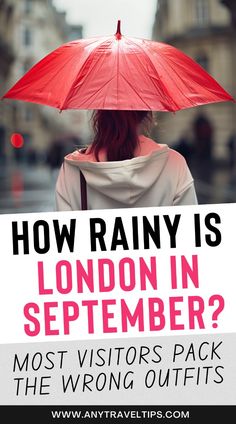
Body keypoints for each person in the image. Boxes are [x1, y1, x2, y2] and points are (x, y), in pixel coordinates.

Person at [55, 110, 198, 211]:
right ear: (146, 114)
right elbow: (190, 235)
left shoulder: (72, 171)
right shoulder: (174, 164)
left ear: (99, 112)